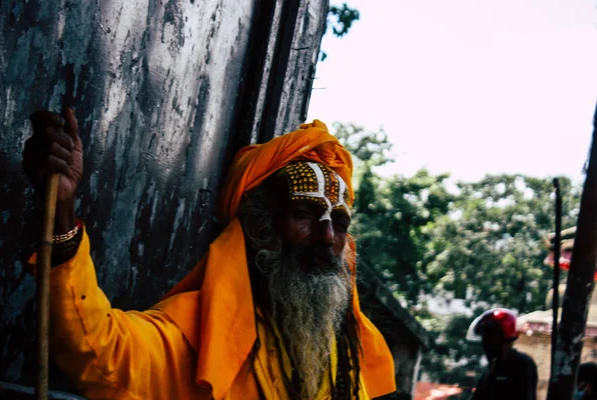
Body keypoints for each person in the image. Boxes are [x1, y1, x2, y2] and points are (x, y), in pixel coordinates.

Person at [22, 107, 395, 399]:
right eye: (304, 214)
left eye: (340, 222)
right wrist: (63, 215)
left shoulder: (342, 356)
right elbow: (95, 350)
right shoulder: (196, 333)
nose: (328, 237)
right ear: (259, 228)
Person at [469, 308, 538, 400]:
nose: (485, 342)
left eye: (489, 336)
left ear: (505, 338)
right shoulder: (492, 369)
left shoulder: (522, 364)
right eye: (484, 336)